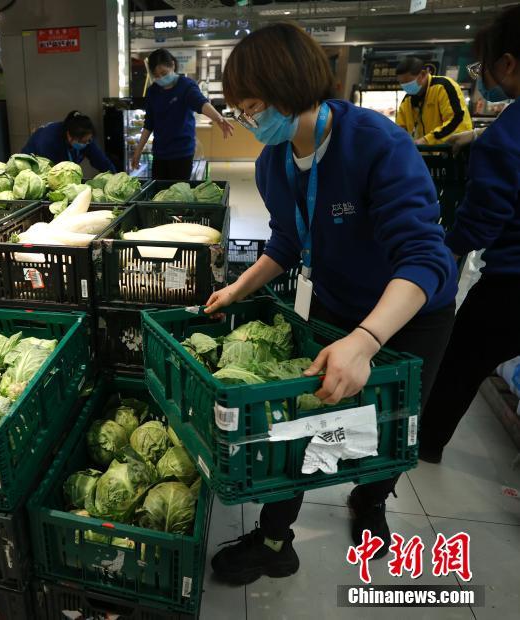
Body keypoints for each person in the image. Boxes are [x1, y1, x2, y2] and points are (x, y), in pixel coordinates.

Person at [204, 23, 457, 585]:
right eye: (241, 111)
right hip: (336, 305)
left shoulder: (375, 144)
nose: (248, 120)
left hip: (410, 314)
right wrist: (239, 287)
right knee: (303, 421)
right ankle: (275, 539)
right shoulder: (273, 161)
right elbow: (286, 242)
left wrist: (366, 340)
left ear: (290, 88)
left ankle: (371, 500)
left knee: (391, 425)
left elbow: (425, 257)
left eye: (252, 107)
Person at [418, 5, 520, 463]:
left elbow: (483, 221)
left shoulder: (506, 138)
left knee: (460, 361)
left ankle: (426, 443)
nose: (482, 78)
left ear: (508, 63)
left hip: (512, 284)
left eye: (482, 67)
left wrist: (444, 250)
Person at [131, 48, 234, 180]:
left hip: (182, 153)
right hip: (159, 153)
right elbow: (149, 124)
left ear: (172, 65)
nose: (161, 78)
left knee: (179, 191)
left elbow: (200, 103)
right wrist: (138, 150)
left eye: (164, 73)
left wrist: (218, 118)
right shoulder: (153, 92)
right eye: (157, 76)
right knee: (159, 190)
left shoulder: (185, 85)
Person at [395, 55, 473, 145]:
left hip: (450, 150)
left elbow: (457, 120)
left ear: (423, 74)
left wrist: (426, 140)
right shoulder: (407, 100)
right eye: (401, 83)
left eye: (408, 82)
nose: (405, 86)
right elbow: (399, 129)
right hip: (422, 152)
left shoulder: (443, 86)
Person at [21, 111, 115, 173]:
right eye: (82, 142)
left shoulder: (86, 137)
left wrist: (115, 177)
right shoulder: (49, 141)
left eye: (88, 141)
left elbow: (101, 161)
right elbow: (53, 174)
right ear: (69, 136)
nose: (86, 144)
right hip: (32, 166)